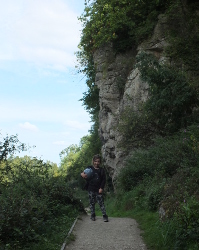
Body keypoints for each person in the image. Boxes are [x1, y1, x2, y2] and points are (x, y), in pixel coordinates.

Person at [81, 154, 108, 222]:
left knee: (101, 203)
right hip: (91, 189)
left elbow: (104, 180)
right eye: (95, 161)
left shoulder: (101, 170)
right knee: (91, 203)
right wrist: (82, 175)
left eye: (98, 161)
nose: (96, 163)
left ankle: (104, 216)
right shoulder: (89, 168)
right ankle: (92, 215)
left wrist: (101, 188)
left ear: (100, 162)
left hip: (98, 189)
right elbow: (83, 173)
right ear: (93, 161)